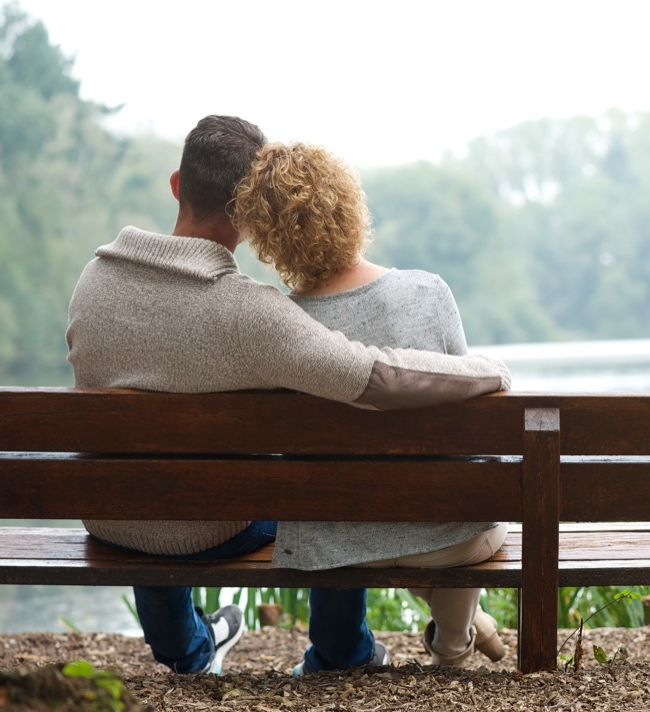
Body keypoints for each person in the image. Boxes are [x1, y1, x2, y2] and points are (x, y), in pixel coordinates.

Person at [65, 115, 511, 676]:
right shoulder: (251, 312)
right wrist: (484, 371)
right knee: (321, 485)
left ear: (177, 184)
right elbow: (373, 376)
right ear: (251, 215)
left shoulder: (93, 282)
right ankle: (345, 651)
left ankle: (191, 651)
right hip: (215, 528)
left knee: (149, 482)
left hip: (109, 515)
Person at [232, 141, 508, 671]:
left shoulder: (283, 325)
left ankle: (459, 632)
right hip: (447, 539)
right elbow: (468, 416)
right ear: (349, 205)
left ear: (269, 238)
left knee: (377, 510)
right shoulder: (428, 292)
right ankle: (453, 647)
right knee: (462, 503)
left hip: (337, 544)